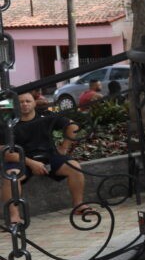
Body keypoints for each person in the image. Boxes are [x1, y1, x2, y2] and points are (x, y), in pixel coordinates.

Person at [2, 92, 86, 224]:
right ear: (15, 106)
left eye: (28, 101)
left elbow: (73, 126)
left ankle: (78, 205)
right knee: (11, 176)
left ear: (34, 103)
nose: (24, 104)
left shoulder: (45, 116)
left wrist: (64, 147)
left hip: (49, 157)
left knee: (74, 167)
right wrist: (31, 163)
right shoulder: (8, 123)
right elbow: (5, 152)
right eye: (21, 102)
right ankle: (14, 217)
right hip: (22, 160)